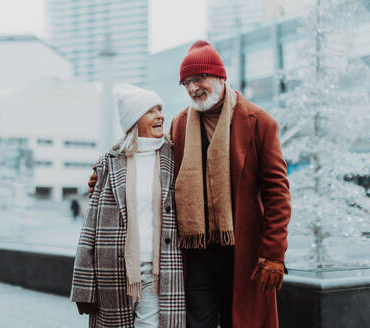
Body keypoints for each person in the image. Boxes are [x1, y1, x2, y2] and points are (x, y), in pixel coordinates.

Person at [88, 40, 291, 328]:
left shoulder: (260, 122)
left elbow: (277, 193)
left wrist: (274, 254)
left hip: (243, 252)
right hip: (196, 256)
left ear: (220, 76)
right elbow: (148, 157)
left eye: (199, 78)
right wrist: (104, 173)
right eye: (186, 83)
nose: (193, 88)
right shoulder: (180, 123)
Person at [71, 84, 185, 327]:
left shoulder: (175, 157)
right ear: (134, 119)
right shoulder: (109, 163)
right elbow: (90, 228)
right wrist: (83, 288)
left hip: (160, 271)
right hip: (113, 270)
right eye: (151, 111)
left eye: (160, 109)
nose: (160, 116)